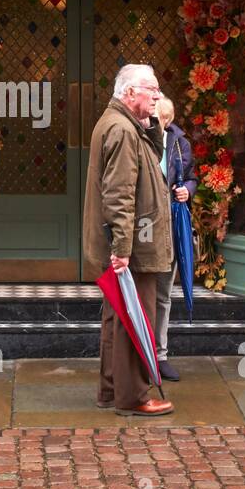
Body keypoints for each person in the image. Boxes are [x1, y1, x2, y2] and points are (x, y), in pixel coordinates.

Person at [82, 64, 175, 417]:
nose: (157, 96)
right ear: (130, 92)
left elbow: (149, 159)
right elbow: (119, 195)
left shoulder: (124, 125)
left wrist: (152, 126)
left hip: (129, 243)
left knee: (116, 317)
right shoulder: (121, 130)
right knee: (136, 318)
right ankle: (133, 396)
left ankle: (111, 390)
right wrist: (122, 249)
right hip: (135, 247)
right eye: (151, 90)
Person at [152, 96, 197, 382]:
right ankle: (140, 354)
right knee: (146, 293)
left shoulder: (180, 143)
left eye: (160, 119)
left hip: (171, 225)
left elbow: (191, 176)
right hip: (145, 227)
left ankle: (160, 355)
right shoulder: (139, 140)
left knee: (163, 294)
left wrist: (187, 190)